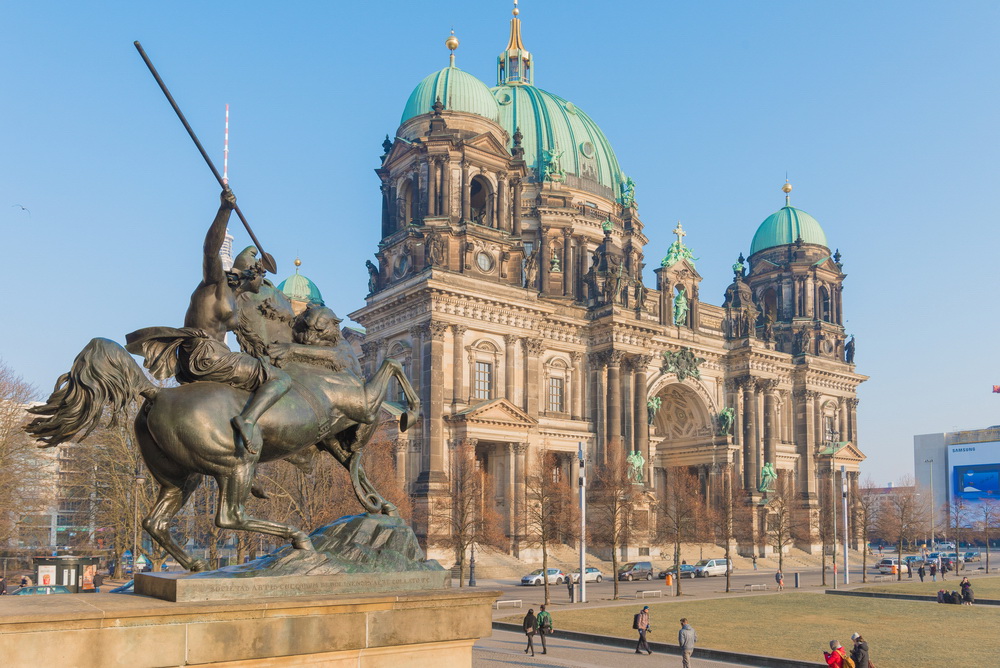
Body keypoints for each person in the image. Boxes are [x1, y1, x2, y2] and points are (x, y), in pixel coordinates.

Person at [125, 189, 292, 458]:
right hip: (206, 356)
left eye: (260, 267)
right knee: (280, 379)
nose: (258, 268)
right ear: (241, 265)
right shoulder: (216, 282)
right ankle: (247, 422)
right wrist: (224, 210)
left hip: (205, 358)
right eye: (253, 260)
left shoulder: (237, 298)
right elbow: (210, 249)